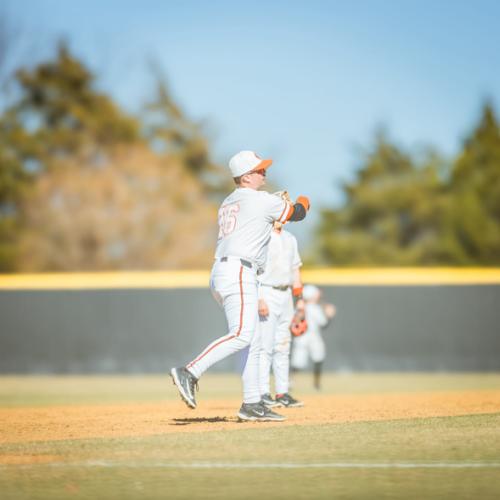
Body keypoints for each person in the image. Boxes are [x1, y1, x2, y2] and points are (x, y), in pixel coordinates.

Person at [171, 150, 310, 422]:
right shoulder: (259, 200)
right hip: (238, 270)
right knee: (243, 335)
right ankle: (190, 371)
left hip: (224, 270)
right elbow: (298, 213)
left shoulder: (229, 200)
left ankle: (252, 403)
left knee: (253, 341)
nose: (264, 173)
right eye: (259, 170)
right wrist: (304, 200)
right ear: (246, 177)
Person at [258, 219, 305, 408]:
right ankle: (262, 393)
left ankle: (282, 393)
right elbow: (256, 270)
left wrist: (300, 300)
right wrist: (259, 297)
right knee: (265, 346)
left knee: (283, 345)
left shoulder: (290, 238)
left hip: (285, 294)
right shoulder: (262, 237)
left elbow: (296, 269)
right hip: (267, 291)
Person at [291, 284, 336, 390]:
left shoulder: (299, 308)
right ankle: (317, 384)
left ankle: (290, 383)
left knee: (298, 361)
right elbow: (324, 324)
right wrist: (329, 316)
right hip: (313, 336)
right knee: (318, 358)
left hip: (300, 337)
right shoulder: (314, 308)